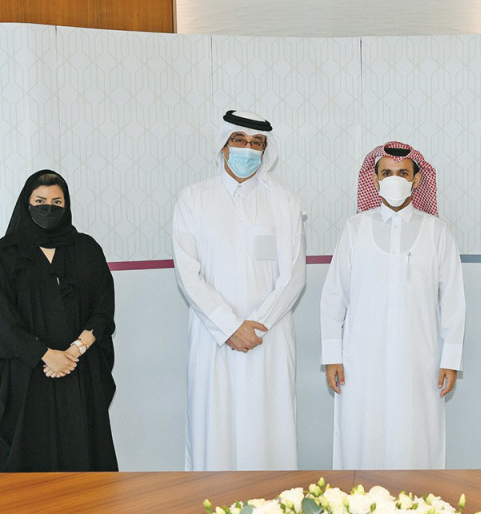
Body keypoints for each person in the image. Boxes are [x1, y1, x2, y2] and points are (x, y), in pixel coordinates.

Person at [172, 110, 305, 470]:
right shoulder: (193, 199)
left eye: (256, 143)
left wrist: (256, 325)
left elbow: (293, 275)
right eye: (239, 140)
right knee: (214, 428)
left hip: (269, 337)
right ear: (224, 144)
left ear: (265, 150)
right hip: (213, 337)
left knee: (268, 429)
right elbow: (188, 273)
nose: (248, 148)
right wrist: (230, 326)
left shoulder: (285, 201)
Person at [320, 142, 466, 469]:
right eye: (387, 173)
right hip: (360, 362)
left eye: (403, 173)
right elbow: (333, 297)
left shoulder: (437, 232)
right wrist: (332, 356)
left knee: (416, 442)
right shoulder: (354, 230)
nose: (395, 179)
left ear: (416, 180)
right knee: (361, 439)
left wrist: (450, 360)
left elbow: (454, 301)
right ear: (374, 180)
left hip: (420, 360)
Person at [0, 169, 118, 472]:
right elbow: (0, 318)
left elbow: (104, 307)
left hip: (80, 372)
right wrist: (45, 355)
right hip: (28, 376)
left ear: (66, 206)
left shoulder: (86, 249)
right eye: (40, 200)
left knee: (85, 461)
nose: (49, 208)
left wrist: (75, 351)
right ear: (26, 203)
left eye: (57, 202)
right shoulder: (8, 251)